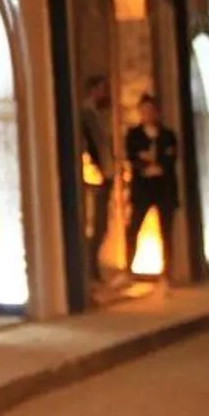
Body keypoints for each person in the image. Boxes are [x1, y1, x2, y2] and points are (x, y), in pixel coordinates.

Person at [123, 93, 181, 276]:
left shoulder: (168, 135)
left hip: (164, 188)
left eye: (151, 110)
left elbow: (171, 157)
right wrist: (144, 164)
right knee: (133, 228)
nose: (148, 114)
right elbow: (132, 157)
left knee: (166, 231)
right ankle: (128, 268)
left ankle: (167, 271)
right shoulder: (134, 135)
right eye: (144, 111)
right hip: (142, 188)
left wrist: (157, 163)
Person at [77, 76, 114, 287]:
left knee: (102, 223)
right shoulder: (86, 115)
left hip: (103, 174)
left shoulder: (97, 115)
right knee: (96, 223)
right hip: (95, 176)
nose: (105, 94)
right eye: (102, 89)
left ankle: (93, 267)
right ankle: (90, 268)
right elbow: (90, 147)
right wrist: (97, 171)